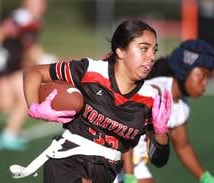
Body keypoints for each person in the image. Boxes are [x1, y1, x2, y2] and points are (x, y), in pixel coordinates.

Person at [20, 20, 172, 183]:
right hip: (69, 160)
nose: (151, 57)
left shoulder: (150, 97)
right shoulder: (90, 71)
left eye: (154, 50)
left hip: (107, 172)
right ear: (120, 51)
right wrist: (34, 107)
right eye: (144, 48)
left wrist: (161, 131)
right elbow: (33, 72)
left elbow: (159, 160)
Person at [115, 39, 214, 183]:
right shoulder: (152, 91)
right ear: (185, 70)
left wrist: (205, 177)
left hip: (135, 165)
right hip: (111, 158)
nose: (205, 83)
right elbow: (125, 132)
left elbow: (183, 146)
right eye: (202, 75)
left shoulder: (182, 107)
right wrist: (129, 175)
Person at [0, 0, 47, 150]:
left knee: (24, 97)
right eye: (37, 4)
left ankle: (9, 134)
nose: (41, 7)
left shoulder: (35, 23)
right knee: (5, 104)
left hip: (16, 68)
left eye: (42, 4)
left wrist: (43, 58)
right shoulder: (19, 18)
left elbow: (29, 45)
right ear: (27, 4)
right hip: (4, 67)